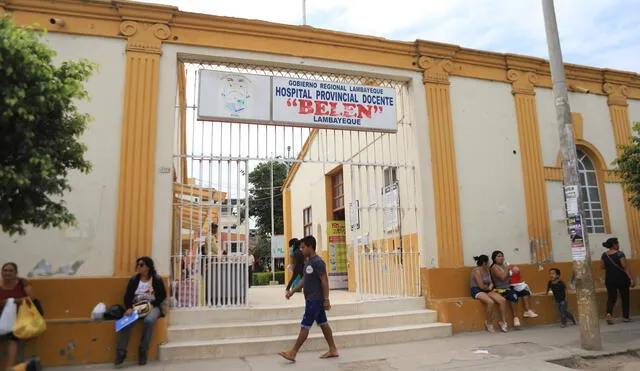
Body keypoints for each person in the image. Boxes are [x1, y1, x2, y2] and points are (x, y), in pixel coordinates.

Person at [279, 236, 338, 362]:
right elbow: (303, 280)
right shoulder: (308, 263)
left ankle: (293, 352)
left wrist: (326, 299)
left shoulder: (318, 262)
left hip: (315, 300)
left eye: (303, 247)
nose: (301, 250)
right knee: (323, 324)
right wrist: (292, 292)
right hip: (311, 299)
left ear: (310, 247)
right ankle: (333, 349)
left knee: (305, 326)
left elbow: (324, 281)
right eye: (300, 248)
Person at [115, 257, 167, 367]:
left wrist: (152, 304)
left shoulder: (156, 279)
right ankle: (121, 352)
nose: (138, 266)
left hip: (153, 306)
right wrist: (129, 308)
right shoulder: (134, 280)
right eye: (137, 264)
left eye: (141, 264)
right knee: (126, 322)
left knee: (149, 321)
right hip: (136, 307)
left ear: (148, 267)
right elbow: (128, 296)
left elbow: (162, 295)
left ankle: (143, 350)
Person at [0, 263, 37, 370]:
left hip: (19, 316)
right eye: (5, 270)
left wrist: (15, 301)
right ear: (1, 272)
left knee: (12, 339)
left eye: (11, 270)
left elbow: (32, 298)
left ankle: (10, 367)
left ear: (16, 273)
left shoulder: (22, 283)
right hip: (1, 315)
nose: (7, 272)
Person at [490, 250, 538, 330]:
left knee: (524, 291)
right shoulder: (494, 267)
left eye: (502, 256)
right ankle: (515, 317)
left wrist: (514, 271)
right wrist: (507, 269)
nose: (501, 257)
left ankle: (527, 310)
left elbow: (511, 276)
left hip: (510, 286)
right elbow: (502, 278)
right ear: (494, 258)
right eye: (498, 256)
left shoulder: (504, 266)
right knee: (513, 295)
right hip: (500, 289)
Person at [470, 255, 508, 333]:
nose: (489, 263)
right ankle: (489, 323)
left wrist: (490, 287)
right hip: (477, 290)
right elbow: (480, 285)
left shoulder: (487, 270)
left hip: (487, 289)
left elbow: (491, 282)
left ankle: (503, 322)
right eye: (488, 262)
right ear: (484, 263)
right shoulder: (477, 271)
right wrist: (488, 288)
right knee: (490, 302)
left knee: (502, 300)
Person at [601, 237, 634, 324]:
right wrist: (631, 278)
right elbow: (624, 266)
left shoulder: (604, 255)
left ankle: (609, 314)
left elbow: (602, 266)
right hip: (621, 278)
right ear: (614, 245)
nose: (618, 245)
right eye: (617, 243)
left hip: (609, 279)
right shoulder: (620, 254)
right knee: (625, 297)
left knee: (611, 297)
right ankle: (625, 317)